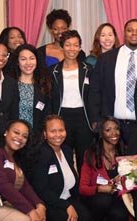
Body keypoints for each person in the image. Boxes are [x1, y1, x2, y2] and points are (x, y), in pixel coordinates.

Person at [30, 115, 92, 221]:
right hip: (49, 203)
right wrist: (66, 206)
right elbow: (41, 189)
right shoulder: (41, 154)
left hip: (68, 198)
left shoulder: (67, 150)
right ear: (45, 134)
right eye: (53, 131)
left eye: (61, 130)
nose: (58, 134)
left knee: (88, 216)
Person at [50, 30, 94, 172]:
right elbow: (49, 98)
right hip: (61, 117)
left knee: (85, 159)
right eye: (68, 45)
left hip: (83, 118)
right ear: (62, 47)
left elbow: (94, 97)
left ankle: (84, 191)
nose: (72, 49)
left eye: (76, 45)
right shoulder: (53, 71)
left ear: (80, 47)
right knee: (64, 156)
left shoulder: (89, 70)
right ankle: (69, 191)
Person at [79, 117, 128, 221]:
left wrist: (122, 180)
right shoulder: (90, 154)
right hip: (96, 198)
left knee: (121, 215)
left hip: (117, 197)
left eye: (116, 128)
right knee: (104, 200)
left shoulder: (125, 151)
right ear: (101, 133)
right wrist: (99, 188)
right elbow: (82, 188)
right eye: (108, 130)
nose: (114, 133)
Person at [9, 44, 51, 138]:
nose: (28, 63)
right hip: (13, 137)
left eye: (32, 58)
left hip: (36, 137)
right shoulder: (9, 83)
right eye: (23, 59)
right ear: (17, 62)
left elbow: (47, 113)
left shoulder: (44, 84)